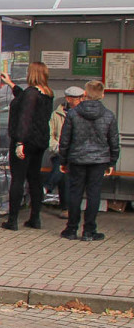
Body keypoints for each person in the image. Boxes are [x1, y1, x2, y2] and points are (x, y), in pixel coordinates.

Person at [59, 80, 120, 242]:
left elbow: (65, 140)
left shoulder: (73, 114)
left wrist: (63, 160)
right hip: (99, 160)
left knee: (75, 193)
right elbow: (114, 141)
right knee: (94, 194)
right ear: (102, 94)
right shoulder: (108, 115)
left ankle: (71, 229)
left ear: (85, 94)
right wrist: (112, 162)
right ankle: (89, 230)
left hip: (77, 158)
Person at [0, 62, 55, 230]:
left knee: (18, 179)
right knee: (34, 179)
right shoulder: (47, 93)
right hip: (40, 141)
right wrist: (11, 85)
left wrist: (19, 142)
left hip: (26, 141)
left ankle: (12, 220)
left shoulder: (31, 93)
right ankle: (35, 217)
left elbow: (25, 117)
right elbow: (25, 98)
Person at [45, 86, 85, 215]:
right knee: (64, 167)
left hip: (78, 153)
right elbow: (50, 135)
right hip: (61, 151)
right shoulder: (56, 114)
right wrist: (58, 148)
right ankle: (67, 208)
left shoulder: (84, 114)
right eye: (77, 98)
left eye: (81, 98)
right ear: (68, 99)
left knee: (64, 167)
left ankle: (47, 188)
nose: (80, 100)